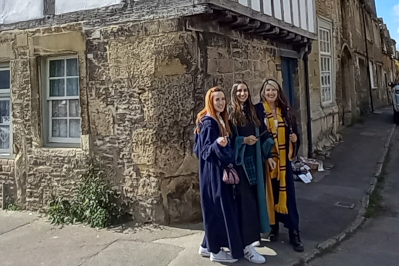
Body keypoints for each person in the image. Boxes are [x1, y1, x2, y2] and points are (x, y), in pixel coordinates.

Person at [194, 86, 243, 263]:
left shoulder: (214, 119)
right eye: (217, 100)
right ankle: (216, 251)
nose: (221, 103)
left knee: (215, 208)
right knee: (219, 209)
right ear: (210, 101)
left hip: (211, 171)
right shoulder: (209, 123)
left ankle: (206, 246)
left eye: (223, 99)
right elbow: (204, 150)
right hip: (214, 172)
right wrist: (218, 144)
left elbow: (197, 148)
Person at [229, 81, 275, 264]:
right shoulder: (231, 115)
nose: (242, 93)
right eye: (239, 91)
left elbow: (263, 133)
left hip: (255, 163)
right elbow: (229, 139)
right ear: (234, 94)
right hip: (241, 166)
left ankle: (252, 238)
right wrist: (243, 141)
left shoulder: (253, 112)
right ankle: (246, 247)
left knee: (255, 201)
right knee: (245, 204)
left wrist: (269, 155)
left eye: (245, 90)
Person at [255, 79, 304, 252]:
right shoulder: (258, 110)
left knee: (288, 197)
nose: (270, 93)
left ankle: (294, 233)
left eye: (274, 90)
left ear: (278, 92)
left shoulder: (286, 111)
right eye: (268, 90)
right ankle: (274, 228)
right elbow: (258, 135)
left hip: (283, 163)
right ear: (263, 91)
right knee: (271, 196)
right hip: (268, 163)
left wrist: (295, 140)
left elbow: (295, 132)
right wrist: (267, 155)